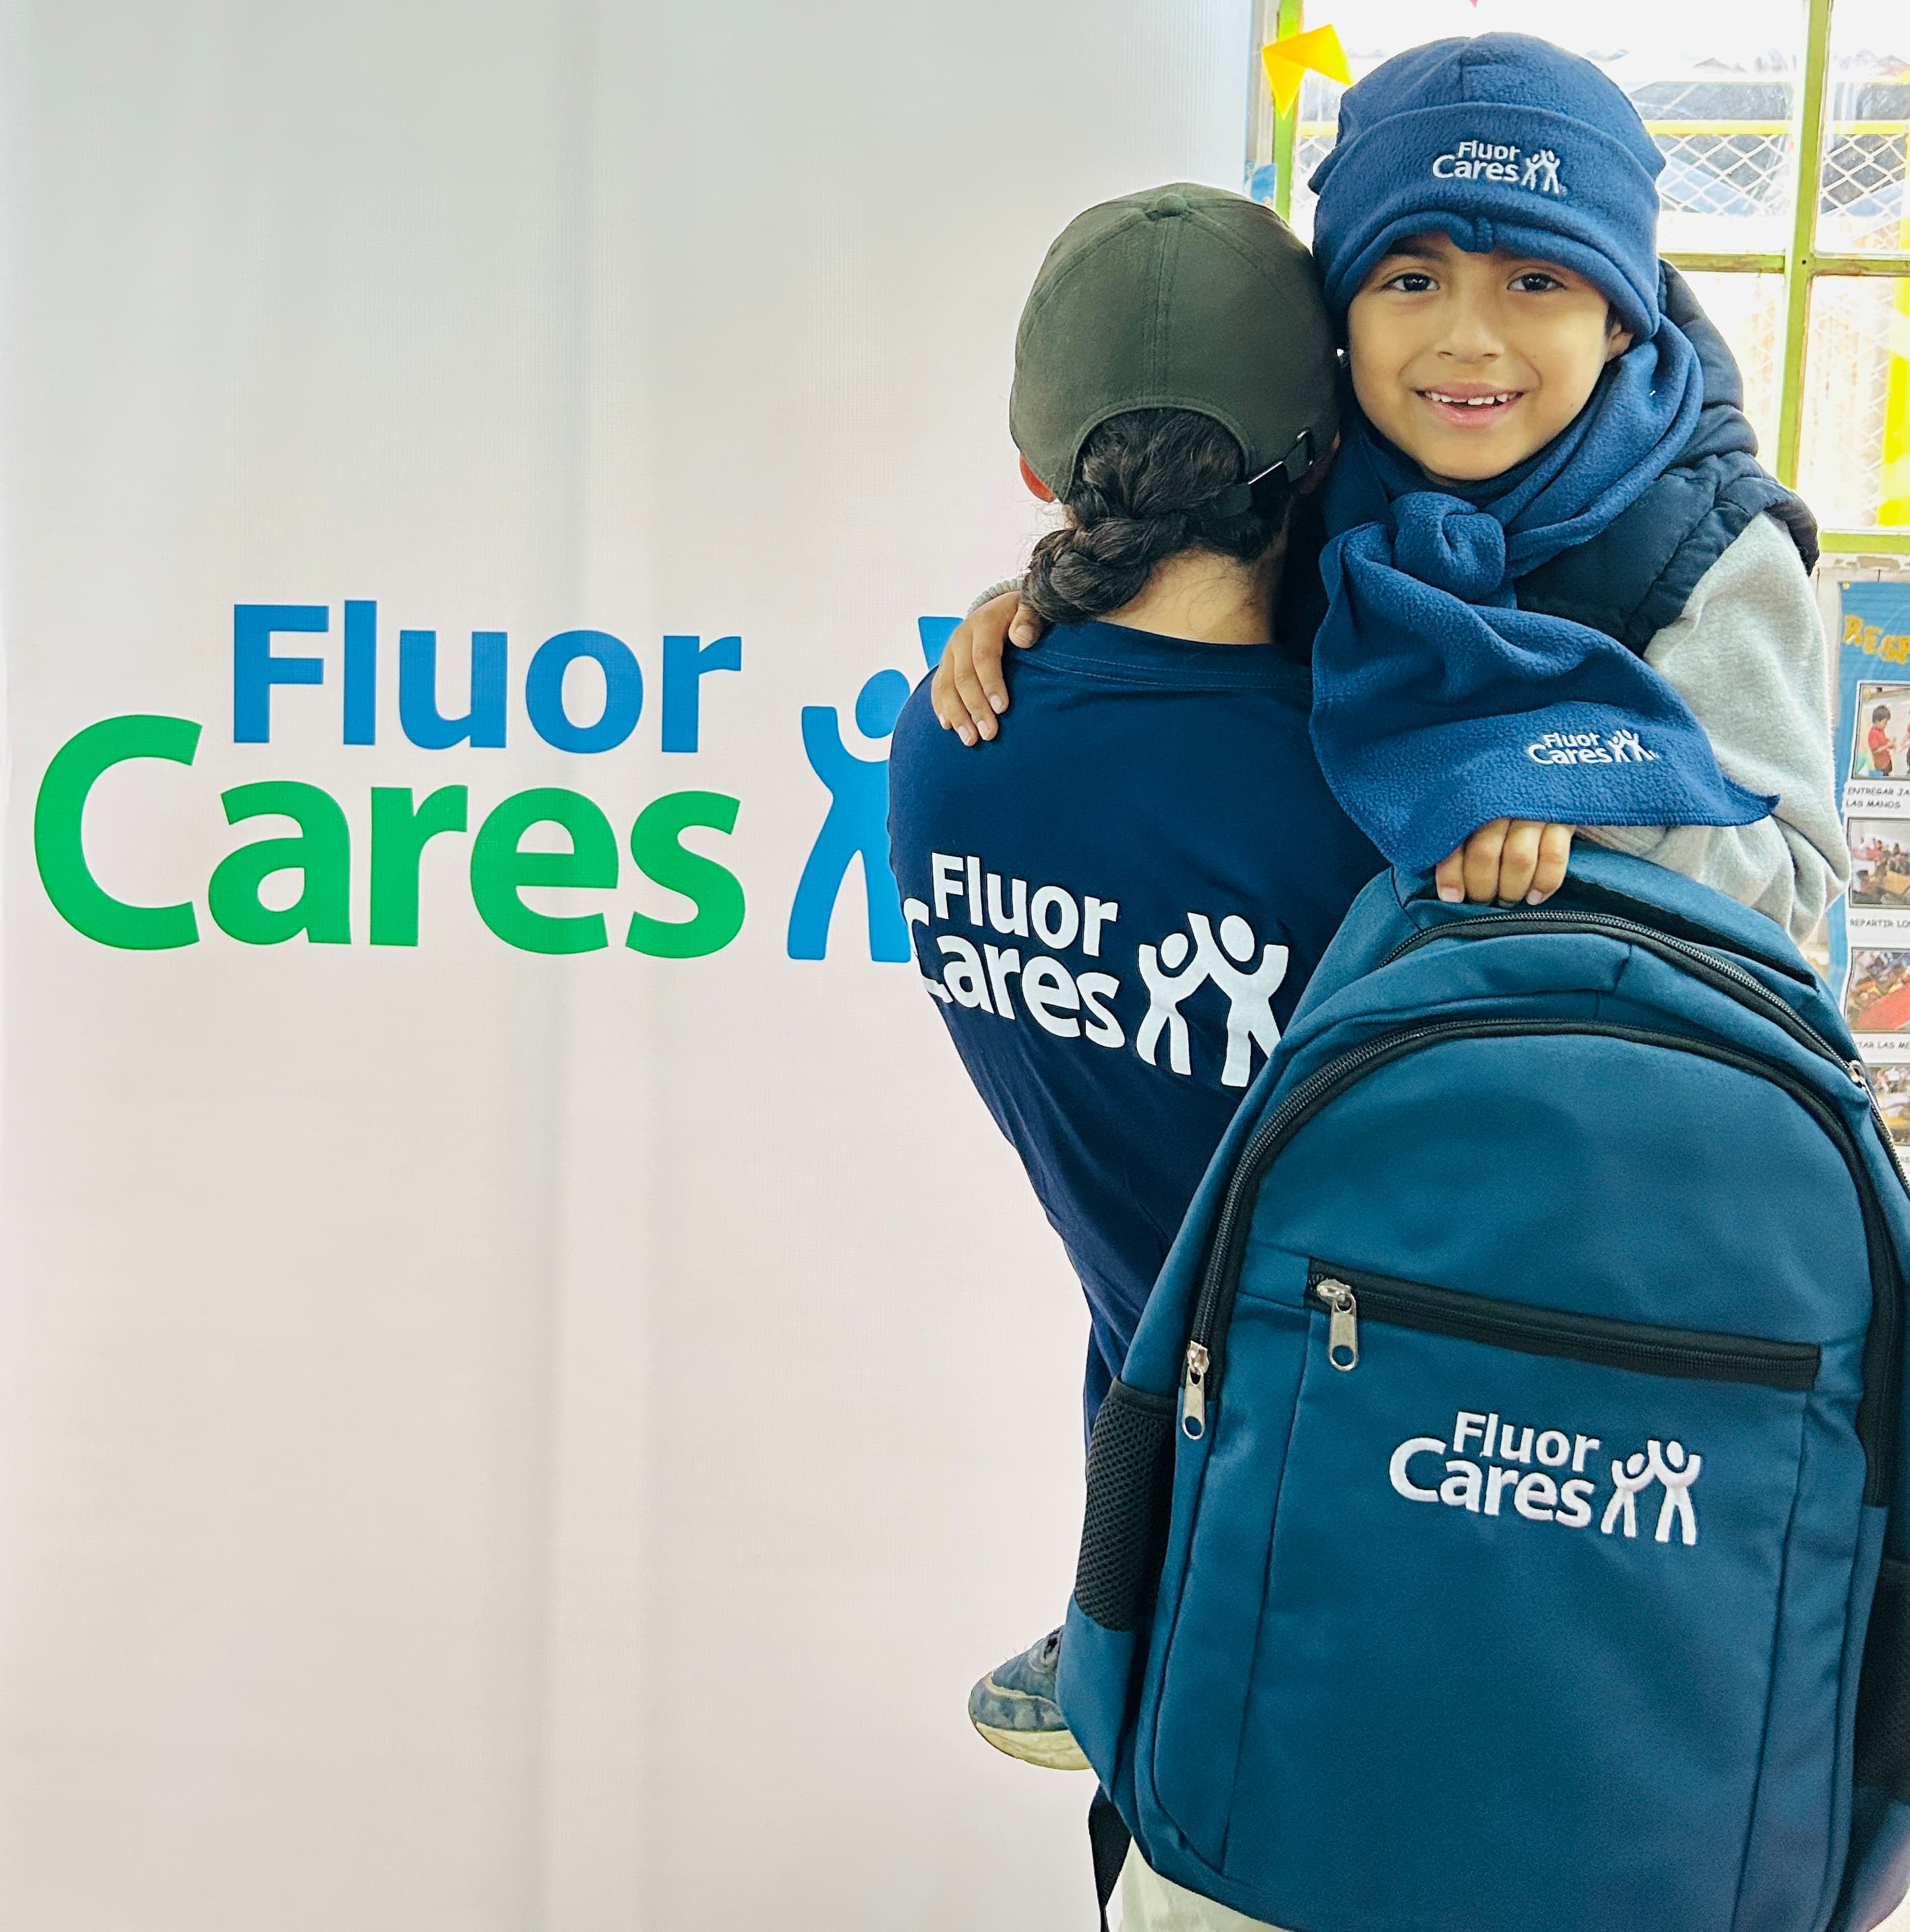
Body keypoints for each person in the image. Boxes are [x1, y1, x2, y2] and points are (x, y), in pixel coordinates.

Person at [884, 184, 1384, 1899]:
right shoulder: (1370, 797)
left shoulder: (949, 743)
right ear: (1322, 457)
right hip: (1367, 1544)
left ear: (1040, 472)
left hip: (1150, 1534)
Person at [937, 34, 1847, 945]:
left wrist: (1580, 806)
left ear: (1616, 319)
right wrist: (1034, 612)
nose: (1468, 338)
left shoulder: (1710, 549)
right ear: (1339, 317)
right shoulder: (1311, 471)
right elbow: (1186, 593)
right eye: (1410, 279)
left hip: (1579, 1063)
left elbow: (1797, 882)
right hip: (1329, 1042)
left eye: (1535, 281)